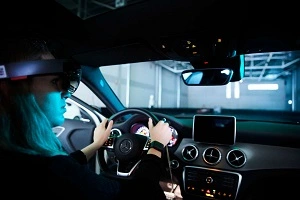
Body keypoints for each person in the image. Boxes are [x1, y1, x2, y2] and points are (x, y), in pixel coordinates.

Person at [0, 31, 172, 199]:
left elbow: (68, 169)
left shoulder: (23, 156)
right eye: (55, 81)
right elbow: (139, 194)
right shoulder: (53, 170)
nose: (66, 93)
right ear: (13, 89)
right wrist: (156, 146)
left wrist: (97, 144)